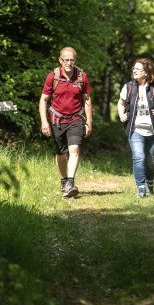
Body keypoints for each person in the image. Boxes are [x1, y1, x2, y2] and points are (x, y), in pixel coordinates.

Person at [39, 46, 92, 198]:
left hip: (76, 118)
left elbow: (87, 99)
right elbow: (43, 100)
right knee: (61, 153)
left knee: (74, 149)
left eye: (72, 60)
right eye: (66, 60)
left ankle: (70, 182)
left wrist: (89, 121)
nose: (69, 63)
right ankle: (64, 180)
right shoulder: (53, 76)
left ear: (75, 60)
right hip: (57, 119)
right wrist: (44, 121)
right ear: (60, 60)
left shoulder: (81, 76)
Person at [117, 58, 154, 199]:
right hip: (135, 130)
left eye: (138, 69)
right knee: (139, 158)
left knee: (150, 159)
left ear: (146, 72)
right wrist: (121, 114)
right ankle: (141, 188)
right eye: (134, 68)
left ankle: (150, 184)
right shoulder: (128, 87)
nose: (134, 70)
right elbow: (121, 103)